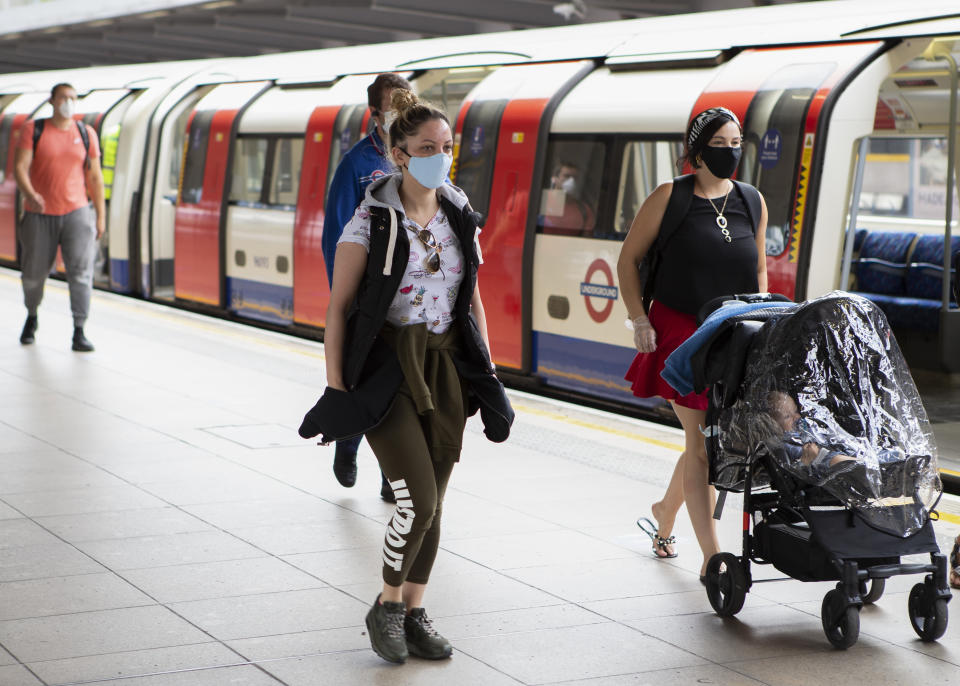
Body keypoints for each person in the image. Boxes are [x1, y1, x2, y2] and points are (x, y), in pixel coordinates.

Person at [322, 89, 509, 664]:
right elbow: (338, 310)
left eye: (447, 147)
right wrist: (336, 387)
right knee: (417, 501)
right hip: (385, 370)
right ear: (399, 155)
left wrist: (488, 368)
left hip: (447, 365)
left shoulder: (458, 212)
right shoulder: (371, 220)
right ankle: (387, 606)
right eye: (427, 147)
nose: (440, 156)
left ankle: (417, 609)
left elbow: (470, 297)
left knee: (438, 503)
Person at [616, 107, 768, 578]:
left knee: (707, 440)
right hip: (685, 335)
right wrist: (639, 319)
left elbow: (759, 270)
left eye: (737, 142)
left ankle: (665, 511)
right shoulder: (670, 197)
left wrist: (765, 318)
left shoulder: (751, 200)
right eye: (720, 144)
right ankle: (710, 556)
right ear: (698, 151)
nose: (731, 152)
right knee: (702, 440)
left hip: (737, 333)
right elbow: (628, 260)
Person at [322, 73, 412, 501]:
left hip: (407, 295)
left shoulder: (416, 158)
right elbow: (335, 236)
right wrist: (345, 299)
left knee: (399, 385)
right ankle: (347, 444)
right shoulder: (356, 165)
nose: (401, 113)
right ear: (374, 114)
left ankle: (389, 474)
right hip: (367, 295)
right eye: (393, 107)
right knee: (364, 379)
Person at [14, 82, 105, 352]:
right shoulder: (34, 129)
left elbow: (95, 177)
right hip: (39, 214)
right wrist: (31, 194)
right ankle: (32, 315)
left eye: (73, 98)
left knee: (80, 273)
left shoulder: (85, 133)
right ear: (52, 101)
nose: (68, 102)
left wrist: (100, 215)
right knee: (33, 274)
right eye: (63, 97)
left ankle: (79, 329)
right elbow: (20, 167)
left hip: (77, 212)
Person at [541, 160, 595, 234]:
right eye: (566, 176)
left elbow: (586, 241)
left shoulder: (585, 210)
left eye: (575, 177)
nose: (571, 181)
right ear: (555, 179)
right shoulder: (541, 202)